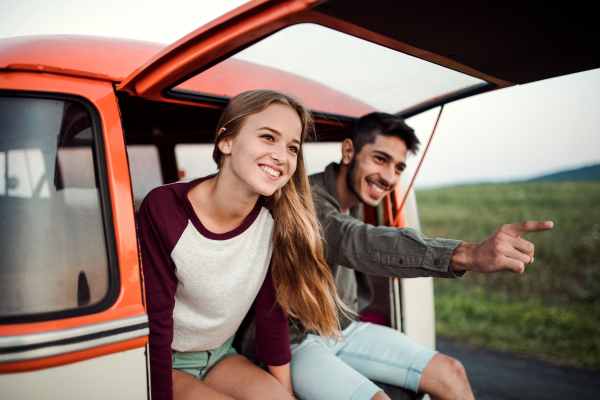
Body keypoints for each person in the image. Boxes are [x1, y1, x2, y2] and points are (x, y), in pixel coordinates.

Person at [288, 112, 554, 400]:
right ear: (349, 151)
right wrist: (469, 253)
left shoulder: (351, 202)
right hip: (298, 340)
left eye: (399, 167)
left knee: (450, 371)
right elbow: (356, 239)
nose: (389, 177)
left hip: (342, 329)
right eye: (380, 159)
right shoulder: (307, 200)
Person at [138, 89, 346, 400]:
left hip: (221, 355)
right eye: (267, 137)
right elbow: (156, 321)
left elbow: (271, 316)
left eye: (292, 147)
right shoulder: (164, 208)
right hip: (167, 362)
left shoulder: (275, 221)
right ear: (226, 141)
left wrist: (285, 394)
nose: (281, 155)